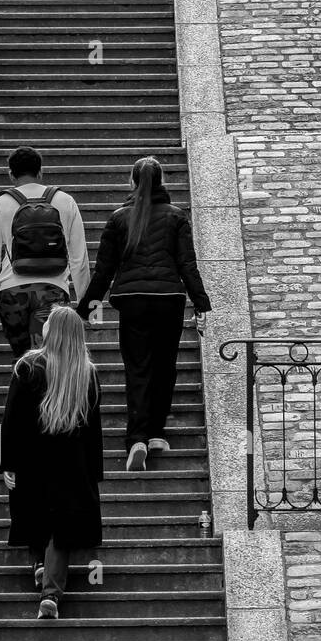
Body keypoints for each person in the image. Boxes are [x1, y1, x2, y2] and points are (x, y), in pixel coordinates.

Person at [76, 155, 211, 472]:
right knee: (165, 366)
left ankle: (136, 437)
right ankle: (156, 433)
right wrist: (201, 305)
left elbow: (104, 271)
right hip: (169, 300)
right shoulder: (177, 217)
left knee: (138, 368)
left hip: (133, 301)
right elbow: (187, 266)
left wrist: (86, 307)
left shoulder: (119, 218)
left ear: (132, 183)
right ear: (162, 182)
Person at [0, 305, 103, 620]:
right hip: (71, 463)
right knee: (62, 528)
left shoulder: (28, 366)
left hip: (32, 457)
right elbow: (93, 429)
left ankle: (39, 565)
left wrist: (7, 463)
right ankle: (51, 593)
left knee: (32, 511)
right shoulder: (86, 372)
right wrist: (94, 472)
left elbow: (11, 421)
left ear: (52, 331)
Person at [0, 145, 90, 357]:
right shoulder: (65, 201)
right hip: (53, 290)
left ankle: (21, 388)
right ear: (40, 172)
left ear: (11, 174)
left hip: (12, 293)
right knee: (50, 361)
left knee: (22, 361)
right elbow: (79, 258)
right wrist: (87, 305)